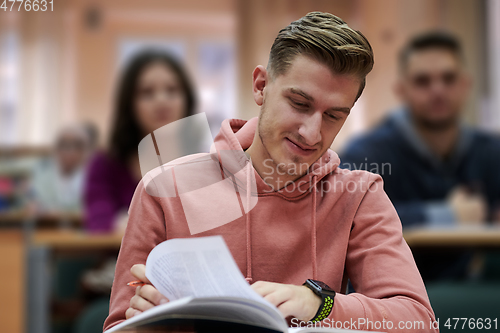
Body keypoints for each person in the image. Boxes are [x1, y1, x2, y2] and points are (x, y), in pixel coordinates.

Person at [104, 12, 437, 332]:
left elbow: (419, 322)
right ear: (261, 86)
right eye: (300, 104)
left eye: (334, 115)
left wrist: (319, 304)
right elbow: (119, 327)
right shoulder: (164, 189)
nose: (311, 133)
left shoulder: (359, 196)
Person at [340, 31, 500, 281]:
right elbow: (343, 216)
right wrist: (448, 215)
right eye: (423, 81)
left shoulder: (491, 151)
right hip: (392, 295)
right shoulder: (367, 154)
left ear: (466, 84)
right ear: (401, 90)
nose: (438, 90)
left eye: (449, 78)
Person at [84, 49, 196, 233]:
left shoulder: (207, 161)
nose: (161, 100)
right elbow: (100, 226)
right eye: (147, 92)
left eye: (172, 90)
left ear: (187, 99)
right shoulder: (105, 164)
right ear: (129, 103)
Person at [32, 124, 92, 213]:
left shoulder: (92, 178)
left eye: (77, 146)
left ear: (85, 151)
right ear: (55, 149)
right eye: (65, 145)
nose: (71, 152)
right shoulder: (41, 175)